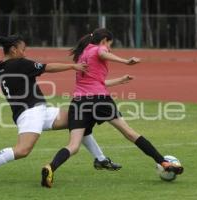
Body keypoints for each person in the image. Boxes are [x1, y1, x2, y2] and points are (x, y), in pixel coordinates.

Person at [0, 35, 133, 186]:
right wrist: (72, 66)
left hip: (41, 111)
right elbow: (48, 67)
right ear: (14, 50)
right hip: (29, 114)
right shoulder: (20, 63)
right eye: (23, 49)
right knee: (22, 150)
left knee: (78, 118)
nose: (24, 52)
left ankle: (100, 159)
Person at [41, 28, 184, 188]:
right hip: (100, 100)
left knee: (73, 146)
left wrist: (120, 80)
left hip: (79, 102)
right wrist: (125, 62)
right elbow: (102, 54)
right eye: (110, 45)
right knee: (130, 133)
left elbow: (94, 81)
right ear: (104, 41)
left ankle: (50, 167)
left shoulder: (82, 54)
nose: (109, 48)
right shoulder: (98, 48)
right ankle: (163, 162)